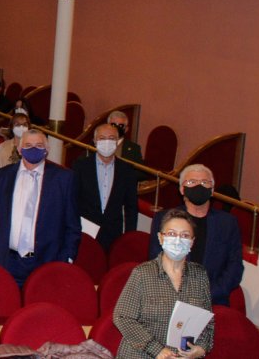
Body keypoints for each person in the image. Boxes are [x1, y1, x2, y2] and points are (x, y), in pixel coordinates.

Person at [0, 127, 80, 287]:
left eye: (39, 145)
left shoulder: (64, 178)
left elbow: (72, 225)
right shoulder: (1, 176)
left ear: (47, 150)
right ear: (19, 149)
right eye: (28, 145)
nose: (33, 149)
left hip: (47, 262)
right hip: (6, 260)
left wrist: (66, 259)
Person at [114, 208, 215, 359]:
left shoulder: (200, 276)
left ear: (192, 242)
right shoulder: (142, 274)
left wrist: (201, 348)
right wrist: (157, 350)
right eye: (172, 234)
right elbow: (122, 317)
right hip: (141, 355)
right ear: (161, 238)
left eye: (185, 235)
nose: (178, 239)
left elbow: (207, 321)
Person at [148, 164, 244, 306]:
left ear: (211, 190)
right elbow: (156, 261)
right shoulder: (165, 219)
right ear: (182, 189)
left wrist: (208, 294)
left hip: (214, 301)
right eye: (192, 182)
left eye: (205, 182)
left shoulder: (227, 223)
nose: (199, 186)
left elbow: (235, 267)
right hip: (172, 299)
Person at [72, 123, 140, 249]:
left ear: (118, 141)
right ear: (95, 141)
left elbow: (131, 208)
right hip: (84, 232)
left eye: (112, 138)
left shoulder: (127, 171)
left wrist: (129, 237)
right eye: (102, 138)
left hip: (113, 234)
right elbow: (72, 200)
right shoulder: (80, 167)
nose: (107, 142)